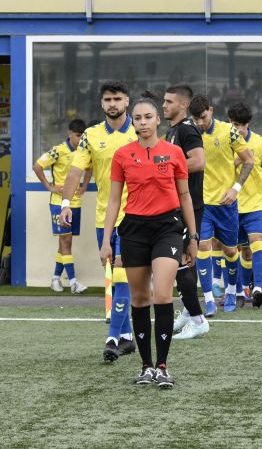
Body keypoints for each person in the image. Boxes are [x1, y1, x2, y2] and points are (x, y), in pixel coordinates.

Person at [101, 96, 197, 388]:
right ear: (133, 122)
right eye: (138, 118)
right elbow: (114, 200)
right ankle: (146, 367)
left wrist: (193, 237)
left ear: (157, 120)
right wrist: (106, 240)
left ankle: (163, 366)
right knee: (140, 298)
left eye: (147, 117)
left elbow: (185, 196)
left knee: (163, 295)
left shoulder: (174, 153)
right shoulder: (122, 155)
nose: (142, 122)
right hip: (133, 230)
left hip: (168, 228)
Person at [59, 81, 138, 362]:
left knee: (121, 274)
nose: (112, 104)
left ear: (127, 101)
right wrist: (66, 203)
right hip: (104, 218)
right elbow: (74, 172)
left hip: (134, 217)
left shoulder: (139, 131)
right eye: (108, 99)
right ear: (101, 103)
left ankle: (112, 338)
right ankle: (127, 337)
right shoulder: (91, 136)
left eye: (117, 99)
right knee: (114, 277)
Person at [189, 94, 254, 313]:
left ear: (211, 110)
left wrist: (236, 188)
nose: (200, 122)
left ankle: (231, 292)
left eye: (203, 117)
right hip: (202, 203)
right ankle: (208, 299)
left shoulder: (229, 131)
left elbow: (249, 160)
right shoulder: (190, 133)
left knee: (230, 251)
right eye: (196, 119)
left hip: (226, 204)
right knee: (202, 246)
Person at [162, 84, 211, 339]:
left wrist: (164, 168)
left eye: (169, 101)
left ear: (183, 105)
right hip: (175, 206)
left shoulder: (187, 129)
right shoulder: (172, 131)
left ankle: (198, 320)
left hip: (188, 206)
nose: (164, 105)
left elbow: (198, 161)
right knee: (183, 263)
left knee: (181, 262)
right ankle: (189, 311)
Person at [227, 102, 262, 308]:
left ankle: (257, 288)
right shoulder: (225, 143)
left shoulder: (260, 143)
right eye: (235, 125)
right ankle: (241, 290)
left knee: (257, 243)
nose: (239, 129)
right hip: (231, 206)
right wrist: (237, 161)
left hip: (255, 205)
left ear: (248, 124)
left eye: (242, 125)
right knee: (241, 252)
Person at [33, 118, 91, 294]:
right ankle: (73, 282)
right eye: (77, 136)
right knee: (66, 241)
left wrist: (84, 186)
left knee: (65, 242)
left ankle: (55, 279)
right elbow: (37, 166)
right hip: (59, 203)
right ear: (70, 134)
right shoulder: (58, 150)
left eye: (82, 136)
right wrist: (49, 186)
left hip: (76, 203)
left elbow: (90, 167)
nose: (80, 139)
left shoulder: (84, 151)